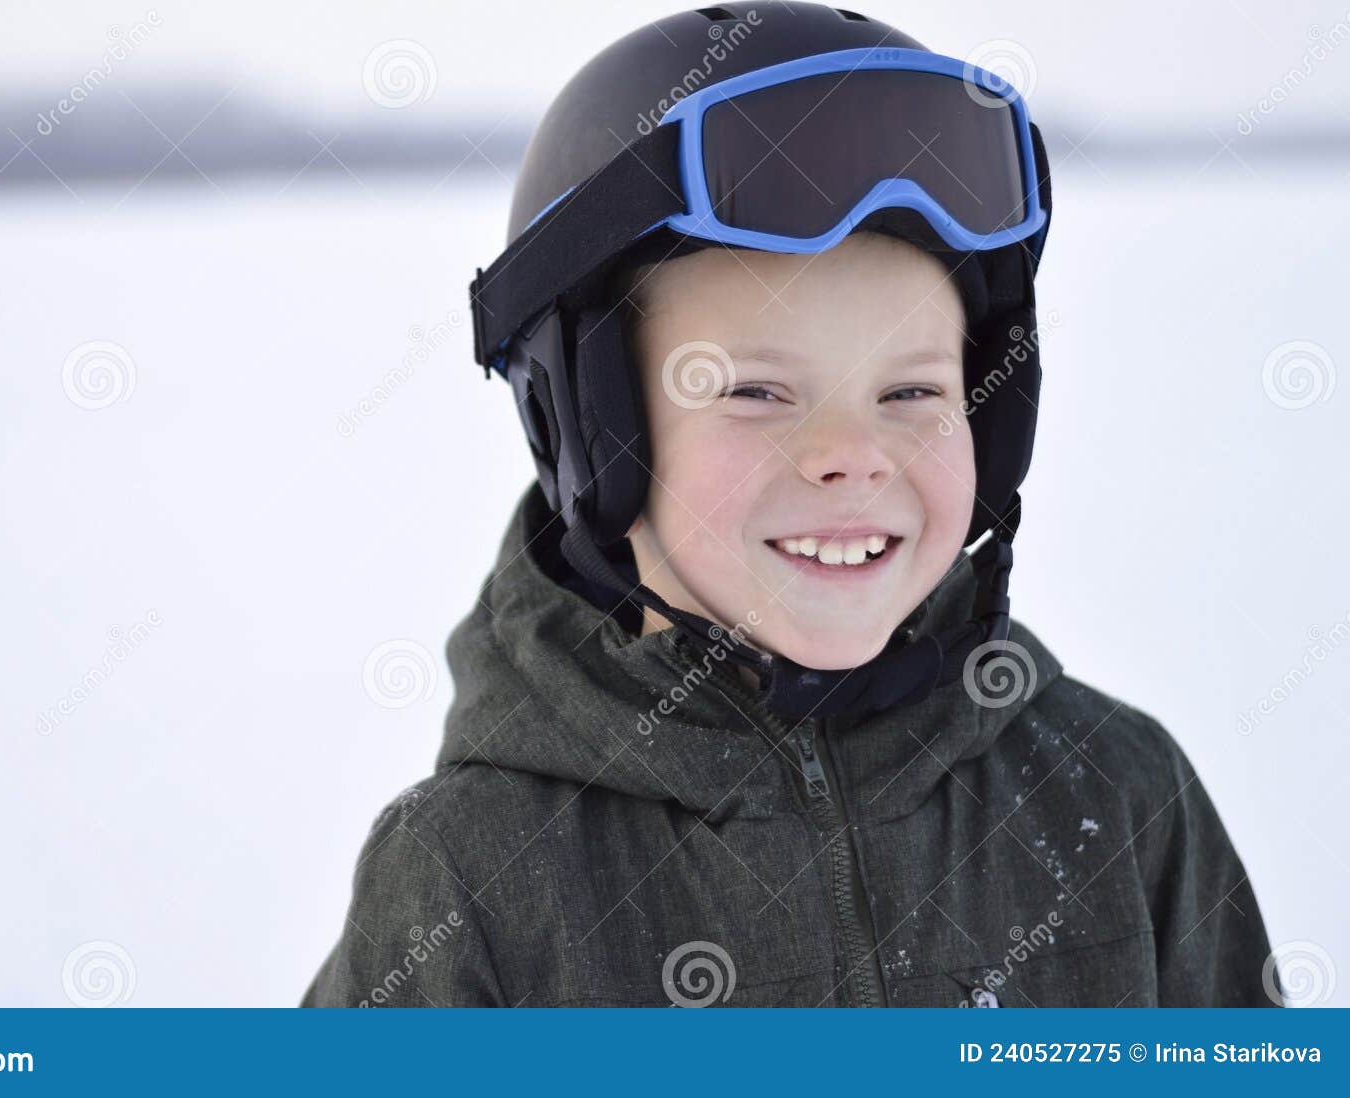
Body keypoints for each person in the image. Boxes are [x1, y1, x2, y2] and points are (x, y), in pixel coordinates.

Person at [302, 2, 1278, 1007]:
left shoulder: (1112, 793)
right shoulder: (470, 878)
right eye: (754, 392)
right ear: (591, 434)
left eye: (911, 393)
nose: (852, 457)